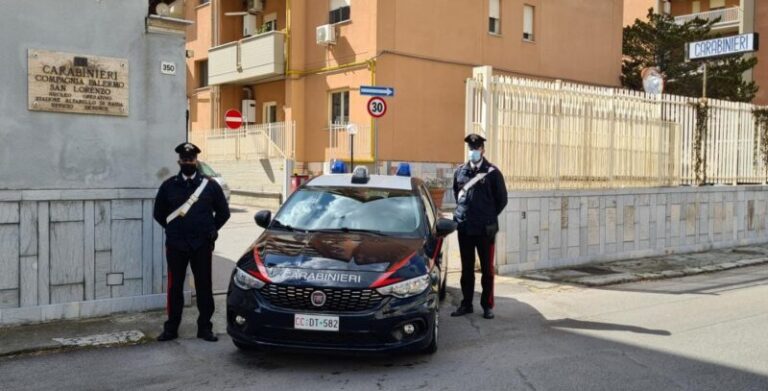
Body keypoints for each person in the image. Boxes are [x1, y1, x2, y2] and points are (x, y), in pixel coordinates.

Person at [153, 142, 230, 342]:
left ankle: (205, 328)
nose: (188, 162)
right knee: (175, 287)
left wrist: (211, 230)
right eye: (185, 159)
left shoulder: (210, 186)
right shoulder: (168, 186)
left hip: (201, 245)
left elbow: (223, 212)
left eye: (191, 159)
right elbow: (158, 213)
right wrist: (174, 230)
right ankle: (171, 328)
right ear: (179, 161)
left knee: (204, 286)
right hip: (176, 245)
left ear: (196, 161)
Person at [451, 133, 508, 320]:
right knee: (466, 270)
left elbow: (502, 200)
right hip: (466, 228)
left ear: (483, 150)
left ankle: (487, 306)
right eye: (470, 148)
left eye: (476, 148)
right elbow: (457, 196)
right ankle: (466, 304)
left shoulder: (493, 173)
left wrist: (488, 216)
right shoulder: (460, 172)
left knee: (487, 270)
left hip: (485, 230)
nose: (473, 151)